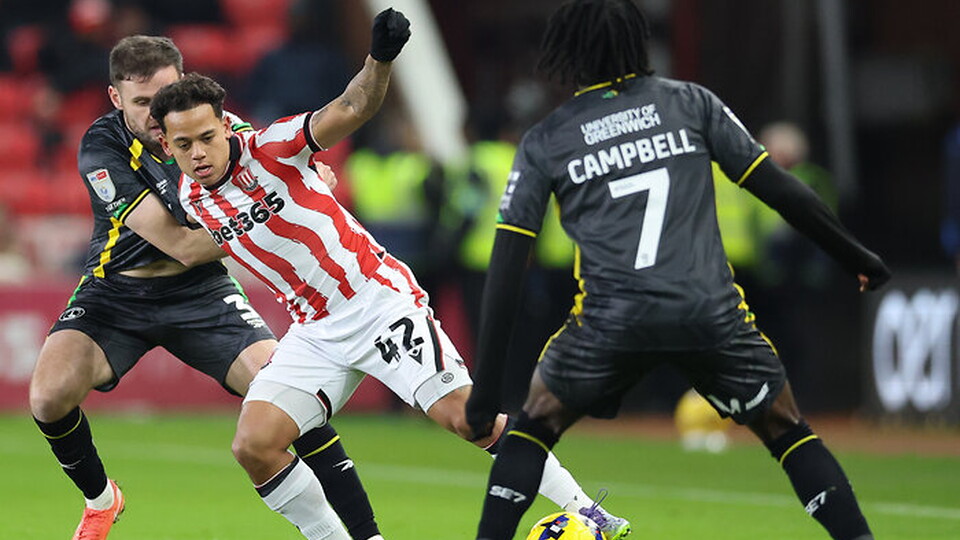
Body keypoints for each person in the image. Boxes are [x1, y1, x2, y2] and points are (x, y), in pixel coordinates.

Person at [150, 9, 630, 540]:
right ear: (166, 145)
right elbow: (199, 244)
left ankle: (589, 512)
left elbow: (352, 106)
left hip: (377, 301)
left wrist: (378, 59)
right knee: (254, 445)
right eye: (182, 145)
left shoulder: (274, 147)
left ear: (225, 124)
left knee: (465, 418)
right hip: (315, 331)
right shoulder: (193, 196)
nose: (197, 153)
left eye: (205, 137)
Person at [464, 1, 892, 540]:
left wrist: (485, 398)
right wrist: (859, 257)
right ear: (636, 43)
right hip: (708, 312)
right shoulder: (691, 103)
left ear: (566, 51)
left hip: (610, 319)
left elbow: (507, 267)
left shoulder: (547, 140)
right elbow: (781, 189)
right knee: (788, 429)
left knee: (535, 423)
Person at [28, 35, 383, 540]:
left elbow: (278, 172)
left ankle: (367, 535)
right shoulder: (102, 148)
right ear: (115, 100)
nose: (158, 115)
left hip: (202, 294)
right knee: (47, 398)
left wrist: (296, 188)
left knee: (290, 400)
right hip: (116, 292)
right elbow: (183, 245)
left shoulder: (218, 129)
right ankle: (102, 500)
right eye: (142, 103)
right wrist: (284, 199)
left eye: (166, 96)